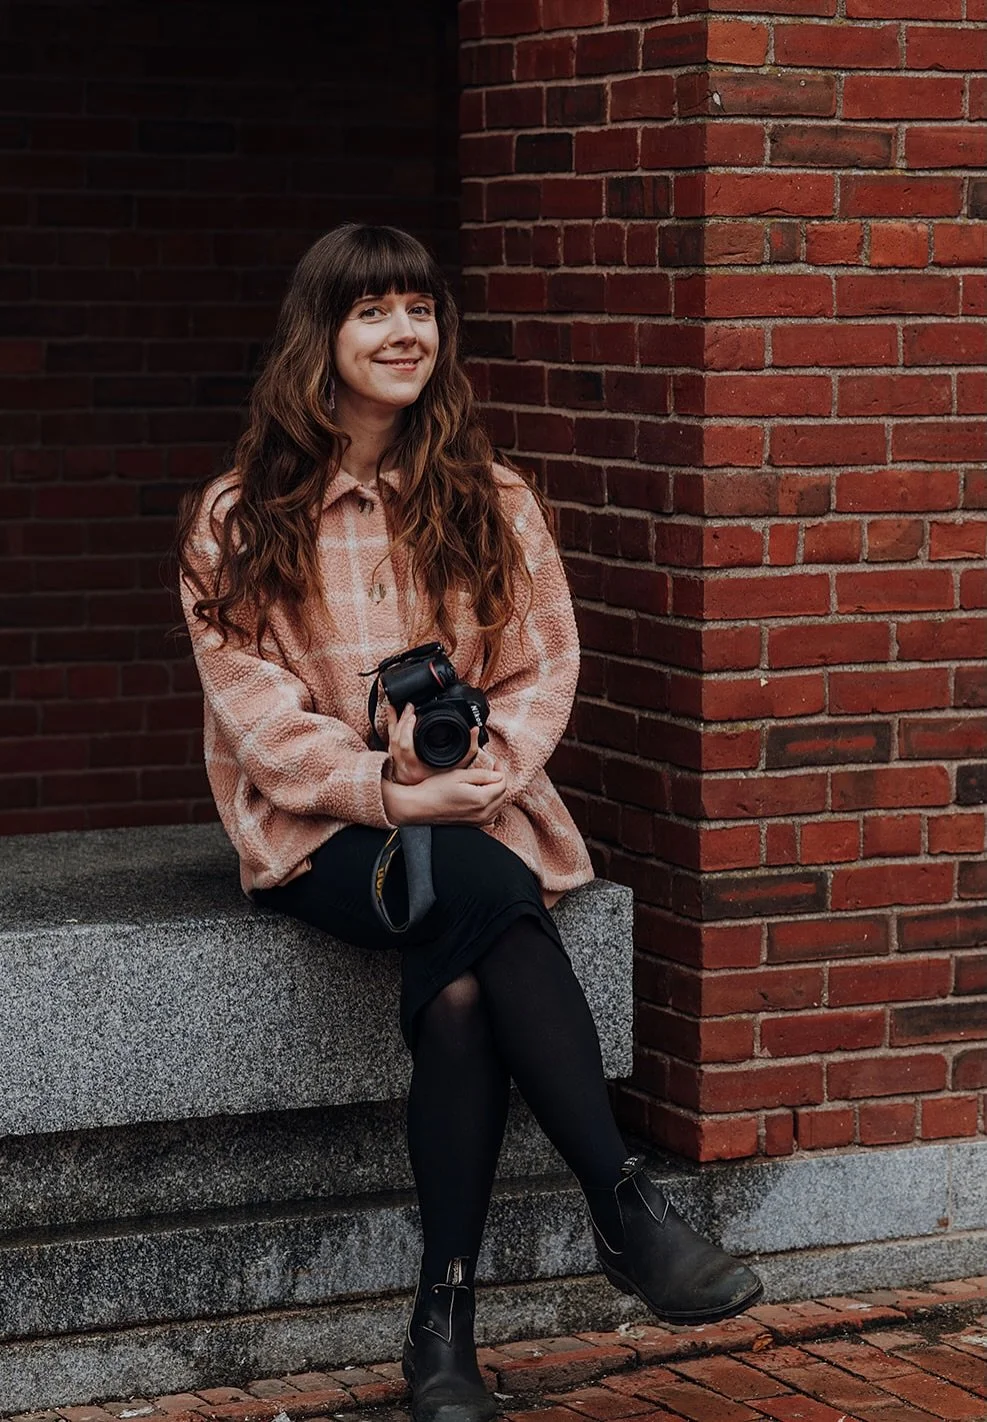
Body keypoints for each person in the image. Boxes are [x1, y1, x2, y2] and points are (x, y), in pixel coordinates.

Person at [176, 224, 762, 1422]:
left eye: (420, 312)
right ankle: (621, 1207)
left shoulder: (489, 499)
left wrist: (480, 773)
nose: (403, 334)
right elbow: (254, 711)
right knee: (489, 897)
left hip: (478, 808)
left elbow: (545, 662)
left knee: (454, 998)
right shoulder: (240, 517)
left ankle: (440, 1332)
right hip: (319, 835)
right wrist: (393, 794)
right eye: (371, 313)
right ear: (320, 339)